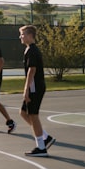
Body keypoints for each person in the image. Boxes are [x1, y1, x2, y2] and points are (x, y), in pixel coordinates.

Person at [19, 25, 56, 157]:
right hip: (33, 86)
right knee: (23, 113)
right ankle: (45, 137)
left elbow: (32, 70)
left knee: (33, 115)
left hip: (35, 87)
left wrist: (26, 89)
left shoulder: (32, 51)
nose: (20, 37)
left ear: (29, 36)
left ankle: (41, 147)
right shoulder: (29, 50)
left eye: (22, 34)